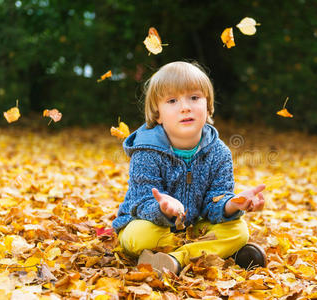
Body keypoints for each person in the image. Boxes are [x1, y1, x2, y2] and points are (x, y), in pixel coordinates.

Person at [112, 61, 267, 275]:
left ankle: (176, 259)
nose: (185, 107)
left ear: (208, 105)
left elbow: (216, 199)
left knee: (240, 231)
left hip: (194, 227)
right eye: (173, 100)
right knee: (140, 236)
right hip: (153, 225)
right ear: (158, 114)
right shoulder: (146, 151)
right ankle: (214, 253)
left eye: (194, 98)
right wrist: (163, 208)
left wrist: (233, 203)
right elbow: (140, 202)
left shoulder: (219, 153)